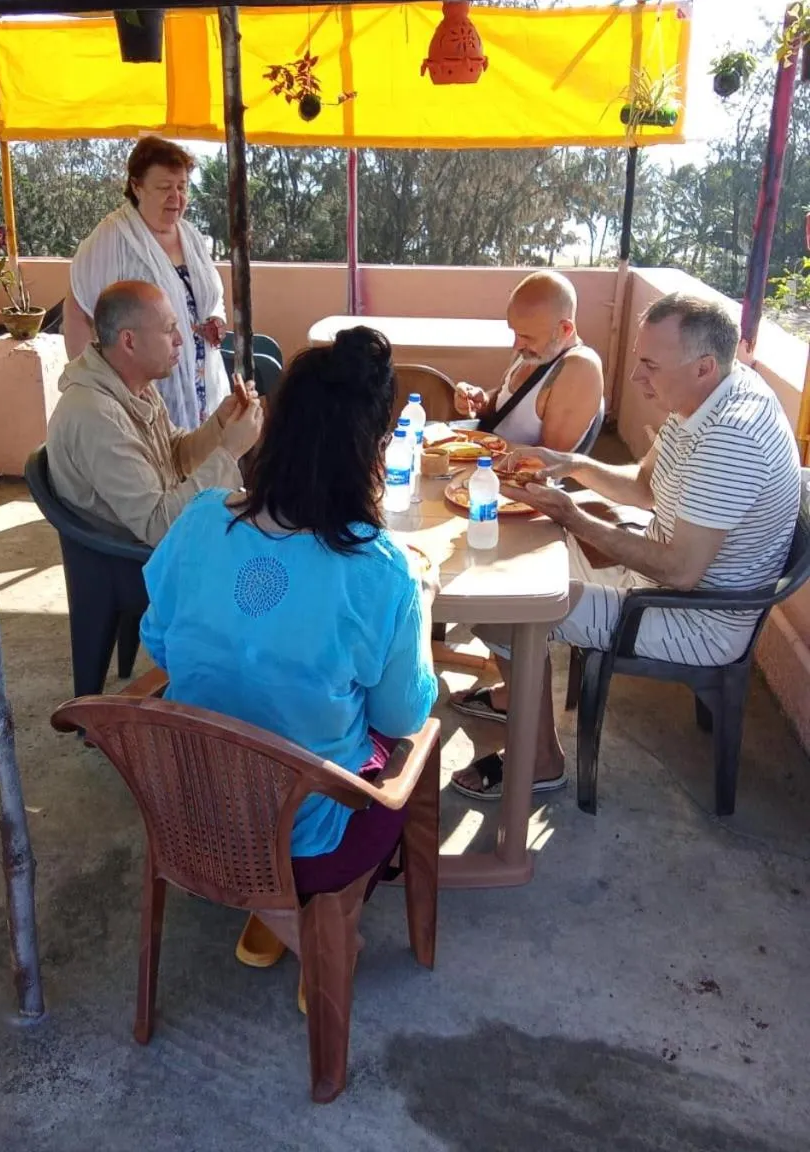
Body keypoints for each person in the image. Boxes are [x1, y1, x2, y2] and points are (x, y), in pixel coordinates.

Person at [140, 326, 439, 978]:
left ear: (272, 426)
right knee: (409, 748)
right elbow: (401, 717)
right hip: (302, 838)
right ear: (377, 449)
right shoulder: (380, 569)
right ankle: (317, 927)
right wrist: (423, 606)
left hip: (186, 808)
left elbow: (158, 642)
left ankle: (277, 916)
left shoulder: (199, 521)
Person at [450, 292, 801, 800]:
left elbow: (681, 572)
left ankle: (542, 760)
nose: (637, 379)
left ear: (704, 366)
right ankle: (516, 693)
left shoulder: (732, 436)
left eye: (650, 366)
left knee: (508, 608)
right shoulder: (709, 393)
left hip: (691, 615)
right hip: (659, 576)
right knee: (508, 565)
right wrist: (568, 465)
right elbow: (642, 485)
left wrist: (573, 514)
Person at [47, 280, 261, 548]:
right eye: (168, 329)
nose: (180, 339)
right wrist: (230, 451)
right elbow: (159, 526)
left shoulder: (136, 387)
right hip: (131, 567)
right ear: (129, 341)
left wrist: (220, 424)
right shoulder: (94, 415)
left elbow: (175, 456)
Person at [64, 137, 228, 432]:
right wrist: (91, 390)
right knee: (159, 468)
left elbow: (209, 295)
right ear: (137, 187)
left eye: (182, 187)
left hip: (202, 382)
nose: (176, 197)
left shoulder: (190, 236)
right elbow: (78, 309)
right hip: (143, 395)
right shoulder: (112, 237)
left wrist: (215, 318)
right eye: (164, 188)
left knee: (202, 461)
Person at [453, 270, 604, 451]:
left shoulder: (580, 368)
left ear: (564, 329)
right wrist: (478, 400)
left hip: (504, 475)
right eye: (515, 332)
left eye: (527, 337)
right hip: (485, 461)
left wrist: (483, 444)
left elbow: (550, 462)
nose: (516, 345)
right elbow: (501, 409)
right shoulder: (535, 352)